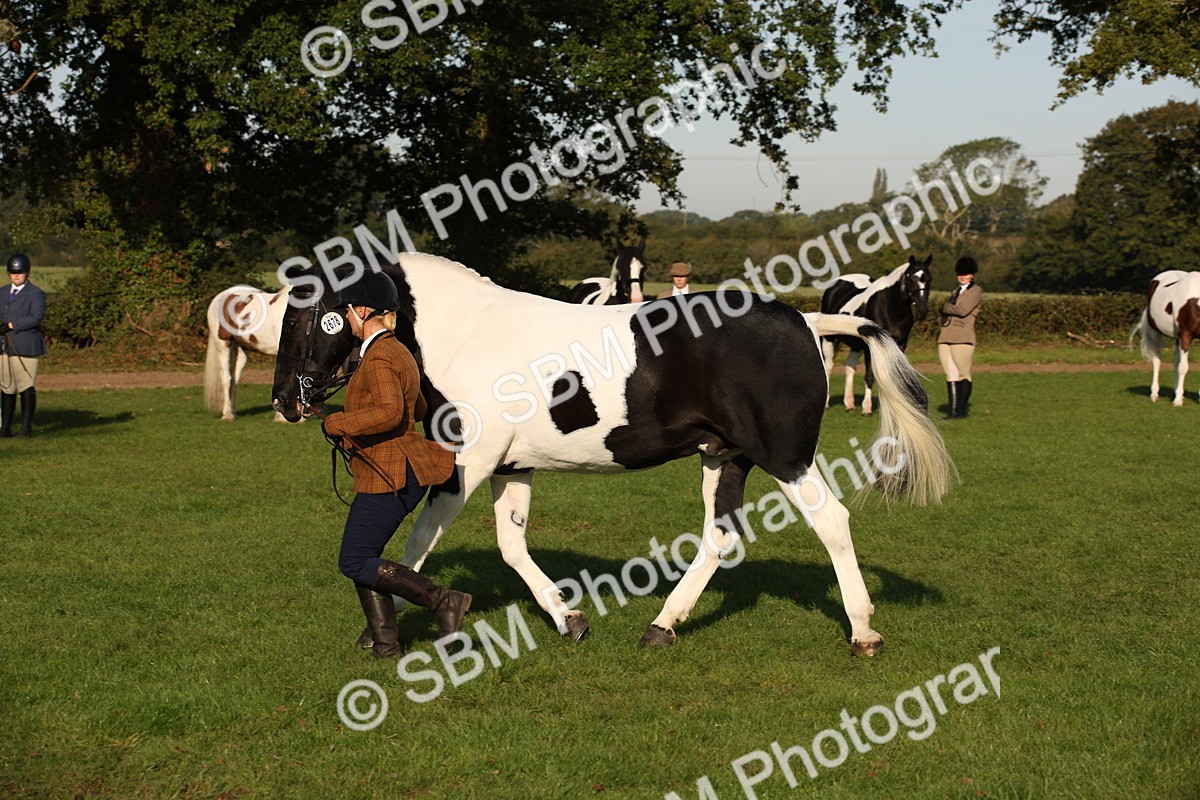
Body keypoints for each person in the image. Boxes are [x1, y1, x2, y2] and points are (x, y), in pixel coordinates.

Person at [318, 271, 471, 658]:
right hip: (399, 466)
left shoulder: (381, 355)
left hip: (392, 471)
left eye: (349, 313)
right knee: (365, 557)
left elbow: (390, 412)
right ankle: (386, 646)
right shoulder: (398, 349)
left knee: (353, 559)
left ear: (363, 310)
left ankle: (442, 601)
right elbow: (417, 407)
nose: (347, 320)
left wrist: (339, 422)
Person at [1, 253, 47, 438]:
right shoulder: (2, 291)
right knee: (7, 386)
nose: (16, 275)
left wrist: (12, 325)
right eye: (13, 272)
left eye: (19, 272)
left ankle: (25, 429)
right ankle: (5, 427)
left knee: (25, 385)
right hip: (4, 346)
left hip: (26, 346)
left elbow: (36, 317)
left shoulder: (35, 293)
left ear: (26, 273)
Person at [938, 256, 982, 419]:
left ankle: (961, 411)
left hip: (963, 336)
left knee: (964, 373)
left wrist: (946, 307)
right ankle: (954, 412)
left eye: (965, 274)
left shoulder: (976, 291)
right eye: (959, 274)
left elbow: (963, 310)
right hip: (946, 335)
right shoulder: (955, 291)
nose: (962, 276)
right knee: (951, 374)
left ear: (972, 275)